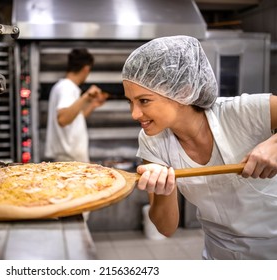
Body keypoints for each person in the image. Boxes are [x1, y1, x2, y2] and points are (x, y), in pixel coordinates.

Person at [121, 35, 277, 259]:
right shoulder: (151, 139)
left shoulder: (243, 112)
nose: (134, 114)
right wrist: (164, 189)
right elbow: (166, 228)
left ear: (183, 92)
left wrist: (274, 144)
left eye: (144, 101)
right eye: (130, 102)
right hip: (218, 255)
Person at [45, 48, 108, 162]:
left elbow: (75, 118)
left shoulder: (64, 87)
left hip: (70, 159)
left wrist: (92, 105)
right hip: (69, 161)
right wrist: (86, 96)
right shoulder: (66, 87)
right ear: (86, 68)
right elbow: (63, 119)